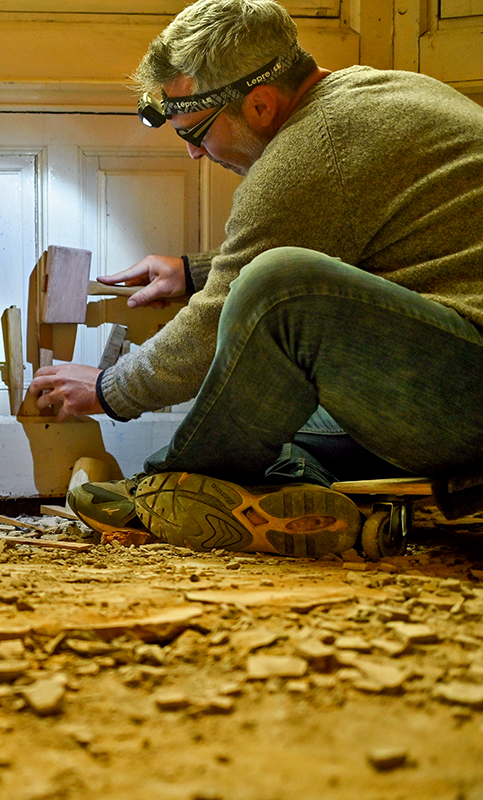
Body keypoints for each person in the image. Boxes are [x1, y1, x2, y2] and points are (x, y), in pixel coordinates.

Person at [27, 0, 483, 558]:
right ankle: (302, 503)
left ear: (261, 104)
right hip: (456, 369)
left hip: (466, 394)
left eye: (194, 132)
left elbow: (227, 314)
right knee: (269, 404)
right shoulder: (376, 93)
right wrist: (195, 272)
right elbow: (346, 233)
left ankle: (166, 493)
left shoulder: (312, 152)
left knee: (279, 284)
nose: (194, 152)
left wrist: (106, 388)